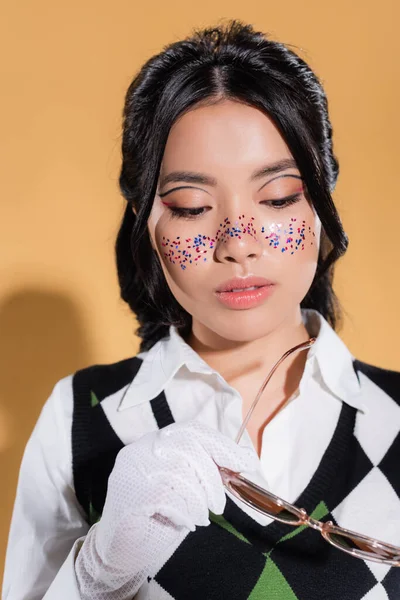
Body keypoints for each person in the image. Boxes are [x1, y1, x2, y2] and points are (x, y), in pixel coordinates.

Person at [3, 19, 400, 600]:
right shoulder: (82, 419)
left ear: (320, 205)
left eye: (277, 198)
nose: (236, 241)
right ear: (146, 222)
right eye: (192, 206)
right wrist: (95, 574)